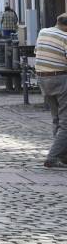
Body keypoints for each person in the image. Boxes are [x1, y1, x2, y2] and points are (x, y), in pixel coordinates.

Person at [35, 12, 67, 168]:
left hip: (43, 79)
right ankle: (53, 156)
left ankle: (62, 154)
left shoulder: (43, 32)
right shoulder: (65, 38)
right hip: (60, 79)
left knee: (57, 119)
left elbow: (37, 52)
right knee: (66, 122)